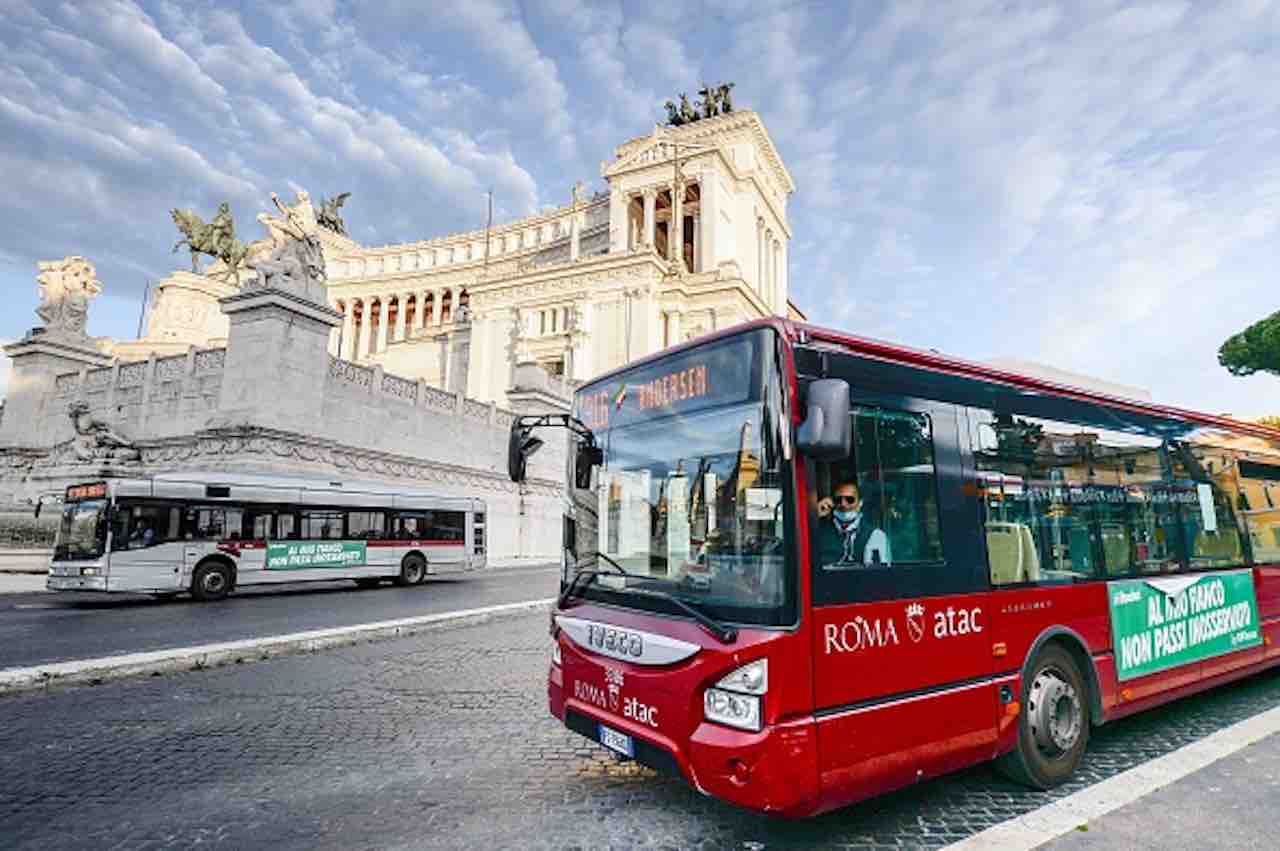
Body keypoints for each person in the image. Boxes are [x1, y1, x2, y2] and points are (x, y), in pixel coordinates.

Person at [813, 480, 891, 567]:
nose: (843, 504)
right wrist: (814, 514)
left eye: (850, 500)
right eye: (838, 500)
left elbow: (879, 573)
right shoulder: (819, 532)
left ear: (860, 503)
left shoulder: (875, 535)